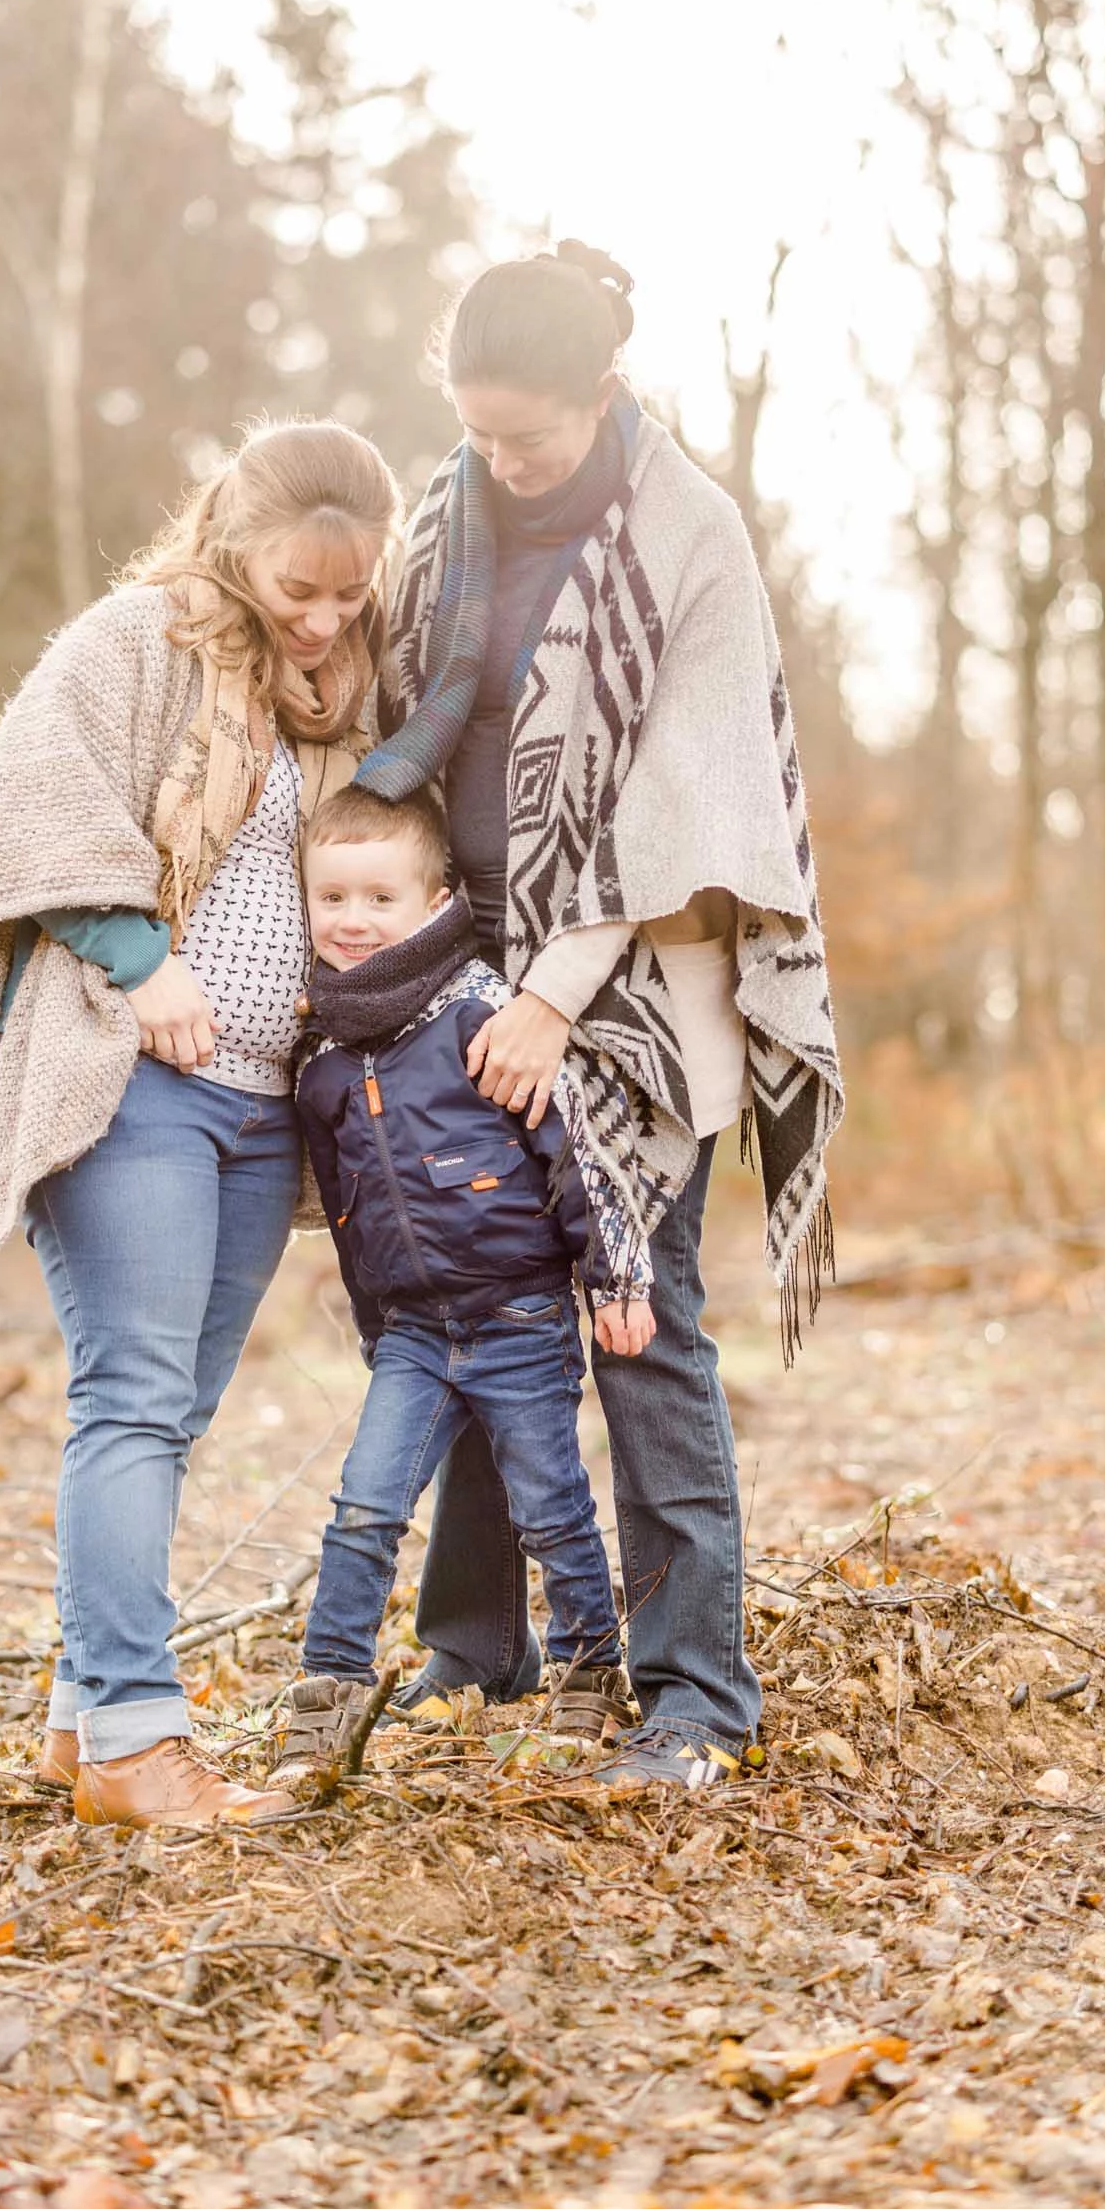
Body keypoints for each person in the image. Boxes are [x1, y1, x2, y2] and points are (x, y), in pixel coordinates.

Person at [354, 243, 844, 1798]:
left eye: (530, 437)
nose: (502, 461)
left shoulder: (689, 535)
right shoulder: (447, 517)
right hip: (463, 981)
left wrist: (557, 1000)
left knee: (644, 1332)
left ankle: (695, 1690)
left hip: (637, 1000)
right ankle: (478, 1642)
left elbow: (688, 798)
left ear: (603, 392)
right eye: (480, 431)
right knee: (483, 1307)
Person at [0, 418, 402, 1831]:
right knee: (128, 1398)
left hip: (261, 1111)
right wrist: (142, 961)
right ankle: (136, 1741)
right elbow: (28, 818)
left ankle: (79, 1723)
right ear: (235, 547)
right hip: (130, 1081)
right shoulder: (139, 643)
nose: (318, 619)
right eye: (295, 590)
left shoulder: (355, 697)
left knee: (173, 1415)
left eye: (346, 594)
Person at [272, 785, 655, 1783]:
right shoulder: (321, 1053)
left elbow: (575, 1150)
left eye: (379, 898)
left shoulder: (482, 1012)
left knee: (551, 1507)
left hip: (518, 1313)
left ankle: (587, 1669)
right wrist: (372, 1325)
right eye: (332, 898)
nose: (353, 920)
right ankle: (330, 1687)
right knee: (365, 1505)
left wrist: (613, 1276)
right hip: (410, 1333)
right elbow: (353, 1220)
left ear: (436, 900)